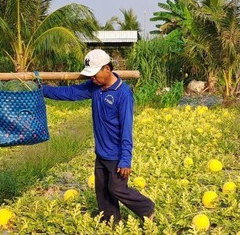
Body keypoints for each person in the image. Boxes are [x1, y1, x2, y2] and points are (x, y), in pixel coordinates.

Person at [42, 49, 155, 223]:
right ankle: (111, 222)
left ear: (107, 69)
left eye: (94, 74)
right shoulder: (94, 87)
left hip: (116, 154)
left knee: (117, 189)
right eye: (90, 75)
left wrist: (126, 159)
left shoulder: (123, 94)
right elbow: (70, 93)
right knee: (102, 190)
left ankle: (147, 208)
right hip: (101, 153)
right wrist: (42, 90)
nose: (92, 78)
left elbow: (126, 128)